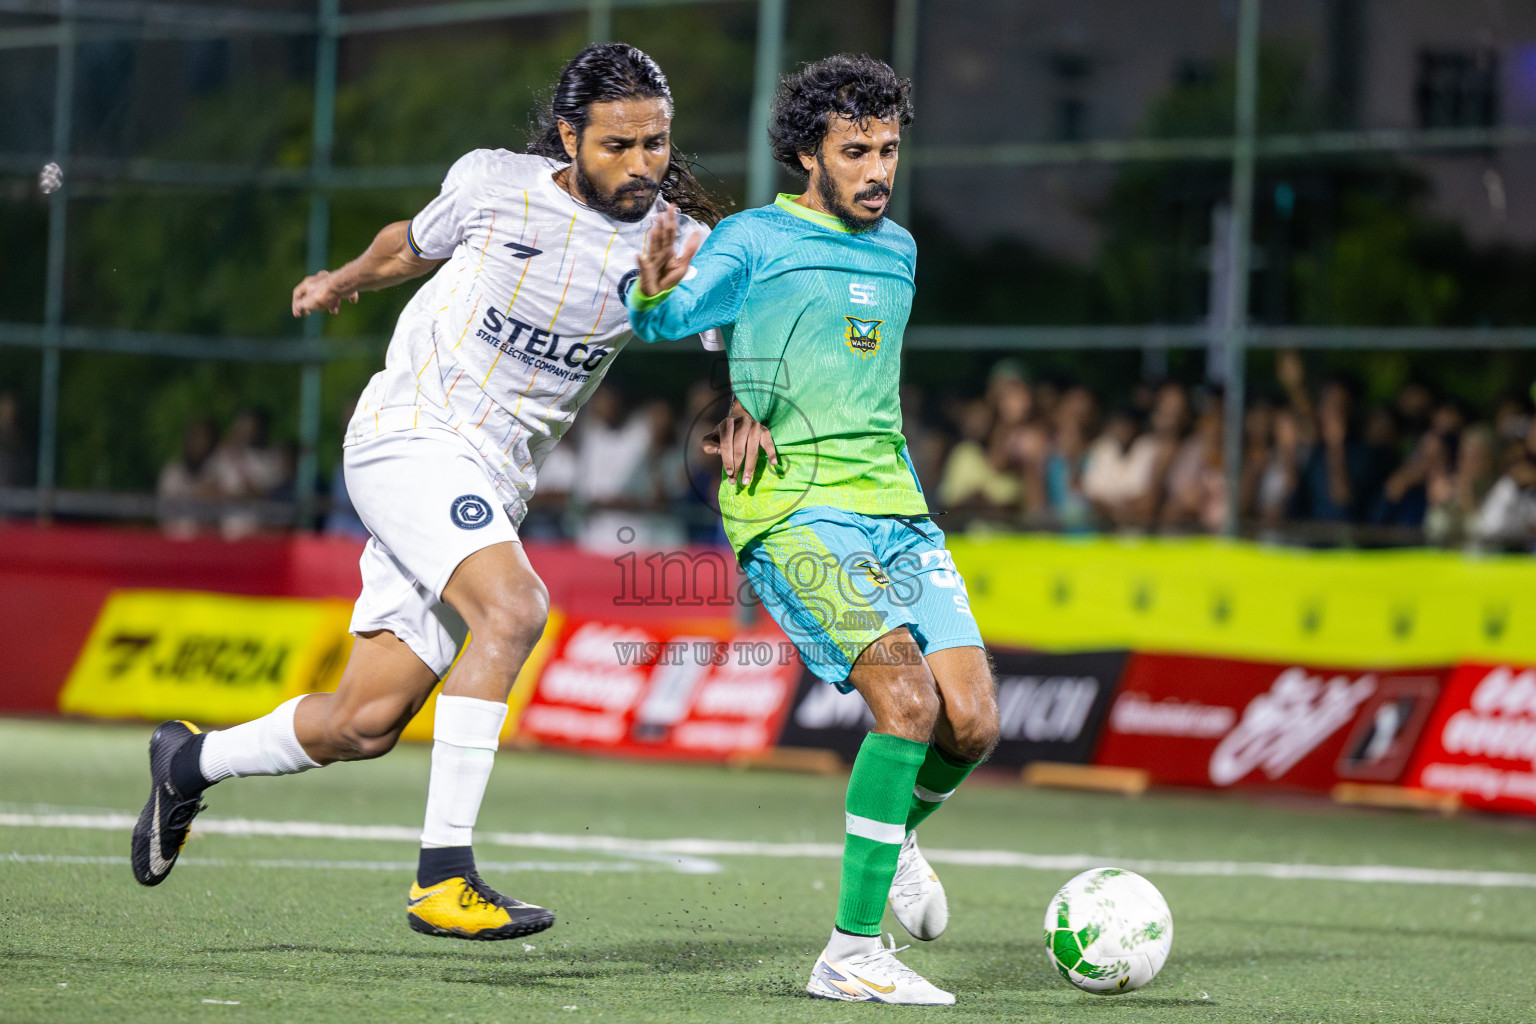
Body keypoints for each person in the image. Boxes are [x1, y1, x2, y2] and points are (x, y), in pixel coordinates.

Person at [129, 43, 734, 944]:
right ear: (569, 137)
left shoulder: (679, 245)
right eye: (617, 145)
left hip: (491, 483)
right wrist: (340, 281)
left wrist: (752, 405)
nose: (643, 164)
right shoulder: (495, 184)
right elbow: (407, 247)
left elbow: (739, 343)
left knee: (363, 722)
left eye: (656, 144)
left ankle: (189, 760)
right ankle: (442, 878)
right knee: (516, 607)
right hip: (408, 437)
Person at [628, 54, 998, 1006]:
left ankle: (898, 829)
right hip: (791, 511)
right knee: (907, 708)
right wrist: (656, 293)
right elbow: (678, 319)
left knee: (974, 725)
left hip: (900, 511)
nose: (878, 170)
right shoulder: (753, 239)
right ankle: (848, 953)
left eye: (889, 150)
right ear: (807, 153)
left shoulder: (903, 249)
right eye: (856, 151)